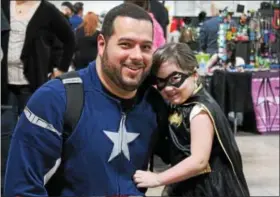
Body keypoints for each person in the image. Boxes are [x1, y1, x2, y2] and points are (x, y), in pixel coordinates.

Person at [4, 3, 169, 196]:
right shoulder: (55, 99)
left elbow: (190, 159)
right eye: (126, 44)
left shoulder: (154, 103)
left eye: (146, 47)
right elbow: (21, 189)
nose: (137, 56)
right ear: (102, 44)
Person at [133, 43, 250, 197]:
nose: (168, 88)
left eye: (175, 78)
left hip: (209, 189)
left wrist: (158, 179)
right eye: (161, 82)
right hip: (190, 185)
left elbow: (199, 161)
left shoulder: (199, 111)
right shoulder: (182, 103)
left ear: (194, 75)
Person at [1, 0, 75, 194]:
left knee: (31, 138)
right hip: (4, 86)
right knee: (4, 138)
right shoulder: (3, 5)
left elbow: (69, 38)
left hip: (32, 85)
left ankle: (29, 185)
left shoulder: (46, 10)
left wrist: (60, 70)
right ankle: (5, 186)